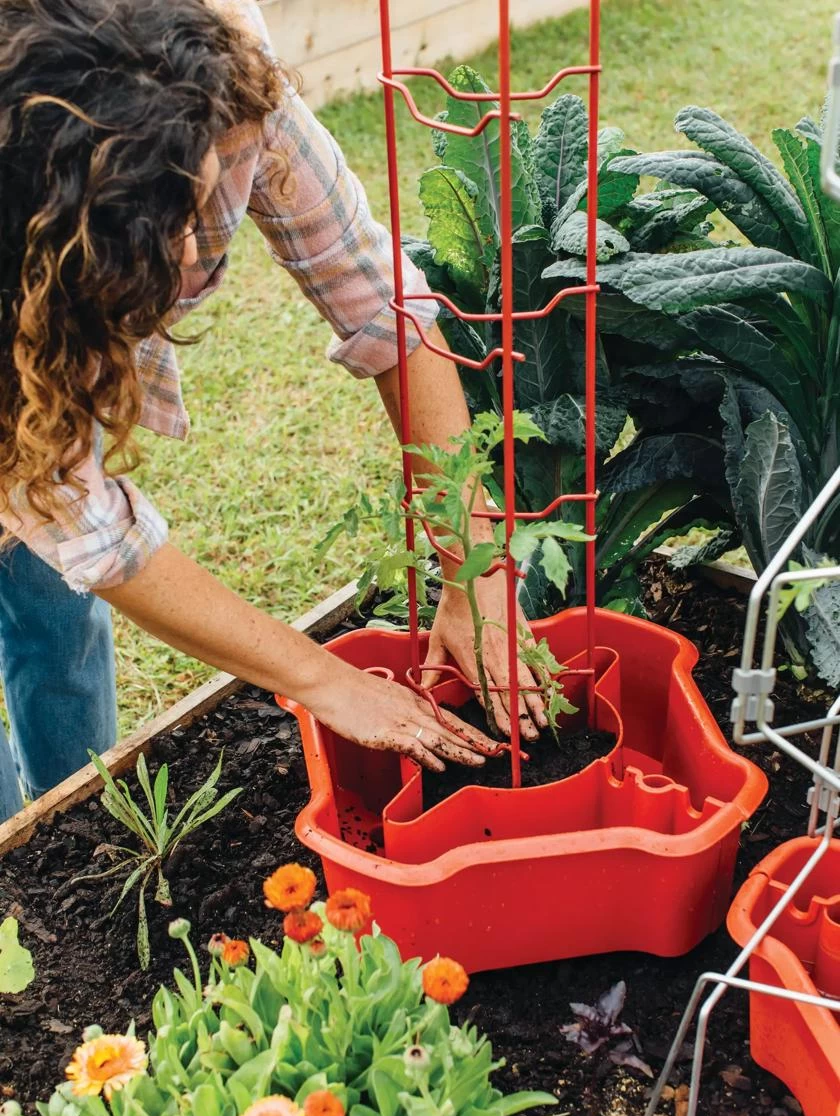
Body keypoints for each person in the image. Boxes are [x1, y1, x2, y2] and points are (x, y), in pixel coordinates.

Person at [0, 0, 547, 822]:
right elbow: (83, 518)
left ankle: (82, 820)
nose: (190, 255)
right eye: (156, 227)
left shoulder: (219, 72)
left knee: (56, 618)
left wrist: (472, 571)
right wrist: (321, 676)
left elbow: (383, 306)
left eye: (201, 201)